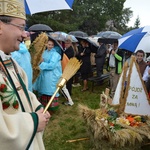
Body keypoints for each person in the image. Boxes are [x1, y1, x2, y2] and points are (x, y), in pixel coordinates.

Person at [0, 0, 50, 149]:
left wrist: (36, 107)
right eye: (21, 27)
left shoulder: (10, 62)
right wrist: (33, 122)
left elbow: (22, 92)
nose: (24, 34)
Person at [33, 39, 62, 112]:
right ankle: (44, 106)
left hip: (52, 76)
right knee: (44, 90)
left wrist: (42, 64)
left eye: (52, 45)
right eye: (49, 44)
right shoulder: (44, 52)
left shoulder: (56, 54)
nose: (50, 46)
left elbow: (52, 65)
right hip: (44, 75)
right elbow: (41, 61)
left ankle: (52, 108)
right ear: (46, 44)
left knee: (50, 91)